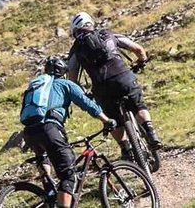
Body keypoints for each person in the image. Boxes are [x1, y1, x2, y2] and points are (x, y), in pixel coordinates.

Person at [19, 55, 116, 208]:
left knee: (43, 155)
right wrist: (106, 120)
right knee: (68, 175)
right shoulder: (65, 84)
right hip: (50, 129)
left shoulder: (38, 86)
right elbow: (87, 103)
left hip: (29, 132)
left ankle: (49, 191)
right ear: (63, 71)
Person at [67, 11, 162, 159]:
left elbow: (72, 80)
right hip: (123, 77)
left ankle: (125, 150)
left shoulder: (75, 50)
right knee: (138, 106)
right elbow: (138, 49)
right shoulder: (108, 35)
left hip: (102, 88)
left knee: (112, 119)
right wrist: (141, 61)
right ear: (91, 24)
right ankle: (151, 133)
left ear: (75, 31)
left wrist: (84, 94)